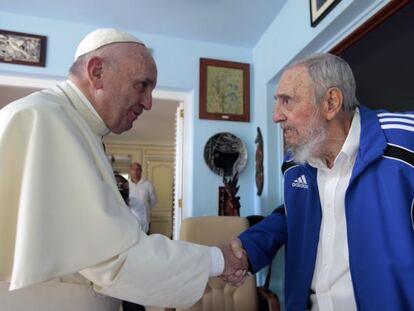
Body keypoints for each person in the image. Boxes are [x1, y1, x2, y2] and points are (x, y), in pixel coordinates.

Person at [0, 28, 247, 310]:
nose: (148, 103)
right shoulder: (43, 120)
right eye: (142, 85)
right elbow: (112, 257)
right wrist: (219, 259)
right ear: (97, 72)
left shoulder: (74, 126)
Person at [222, 53, 414, 310]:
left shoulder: (405, 143)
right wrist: (250, 246)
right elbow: (294, 215)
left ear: (331, 102)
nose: (276, 116)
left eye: (286, 101)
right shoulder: (295, 161)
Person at [115, 173, 146, 311]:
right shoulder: (104, 206)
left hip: (132, 254)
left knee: (132, 301)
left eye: (123, 188)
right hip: (111, 255)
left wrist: (124, 208)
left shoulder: (137, 205)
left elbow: (142, 227)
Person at [128, 162, 157, 234]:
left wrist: (145, 208)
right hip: (129, 220)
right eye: (133, 169)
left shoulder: (148, 185)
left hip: (145, 220)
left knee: (146, 241)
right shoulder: (126, 185)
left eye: (137, 169)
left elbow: (154, 200)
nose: (135, 171)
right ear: (130, 171)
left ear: (141, 171)